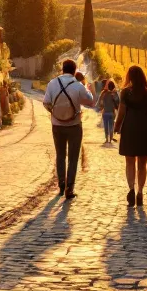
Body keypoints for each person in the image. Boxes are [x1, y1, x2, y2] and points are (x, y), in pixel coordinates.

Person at [43, 58, 95, 200]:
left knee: (60, 155)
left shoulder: (52, 83)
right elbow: (90, 100)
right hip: (74, 125)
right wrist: (86, 85)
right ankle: (69, 188)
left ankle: (61, 184)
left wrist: (55, 114)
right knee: (73, 158)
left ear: (62, 69)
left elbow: (46, 103)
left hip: (57, 125)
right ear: (75, 70)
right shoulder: (78, 85)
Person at [116, 64, 147, 207]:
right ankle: (140, 193)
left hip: (129, 129)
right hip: (144, 128)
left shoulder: (125, 92)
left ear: (129, 77)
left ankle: (131, 189)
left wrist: (117, 126)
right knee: (142, 165)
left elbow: (121, 112)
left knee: (129, 162)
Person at [97, 79, 121, 144]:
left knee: (106, 126)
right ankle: (110, 139)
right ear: (113, 86)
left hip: (105, 112)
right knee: (111, 126)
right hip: (112, 112)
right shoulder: (115, 93)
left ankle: (106, 139)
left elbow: (99, 103)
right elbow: (118, 102)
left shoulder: (103, 93)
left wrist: (102, 107)